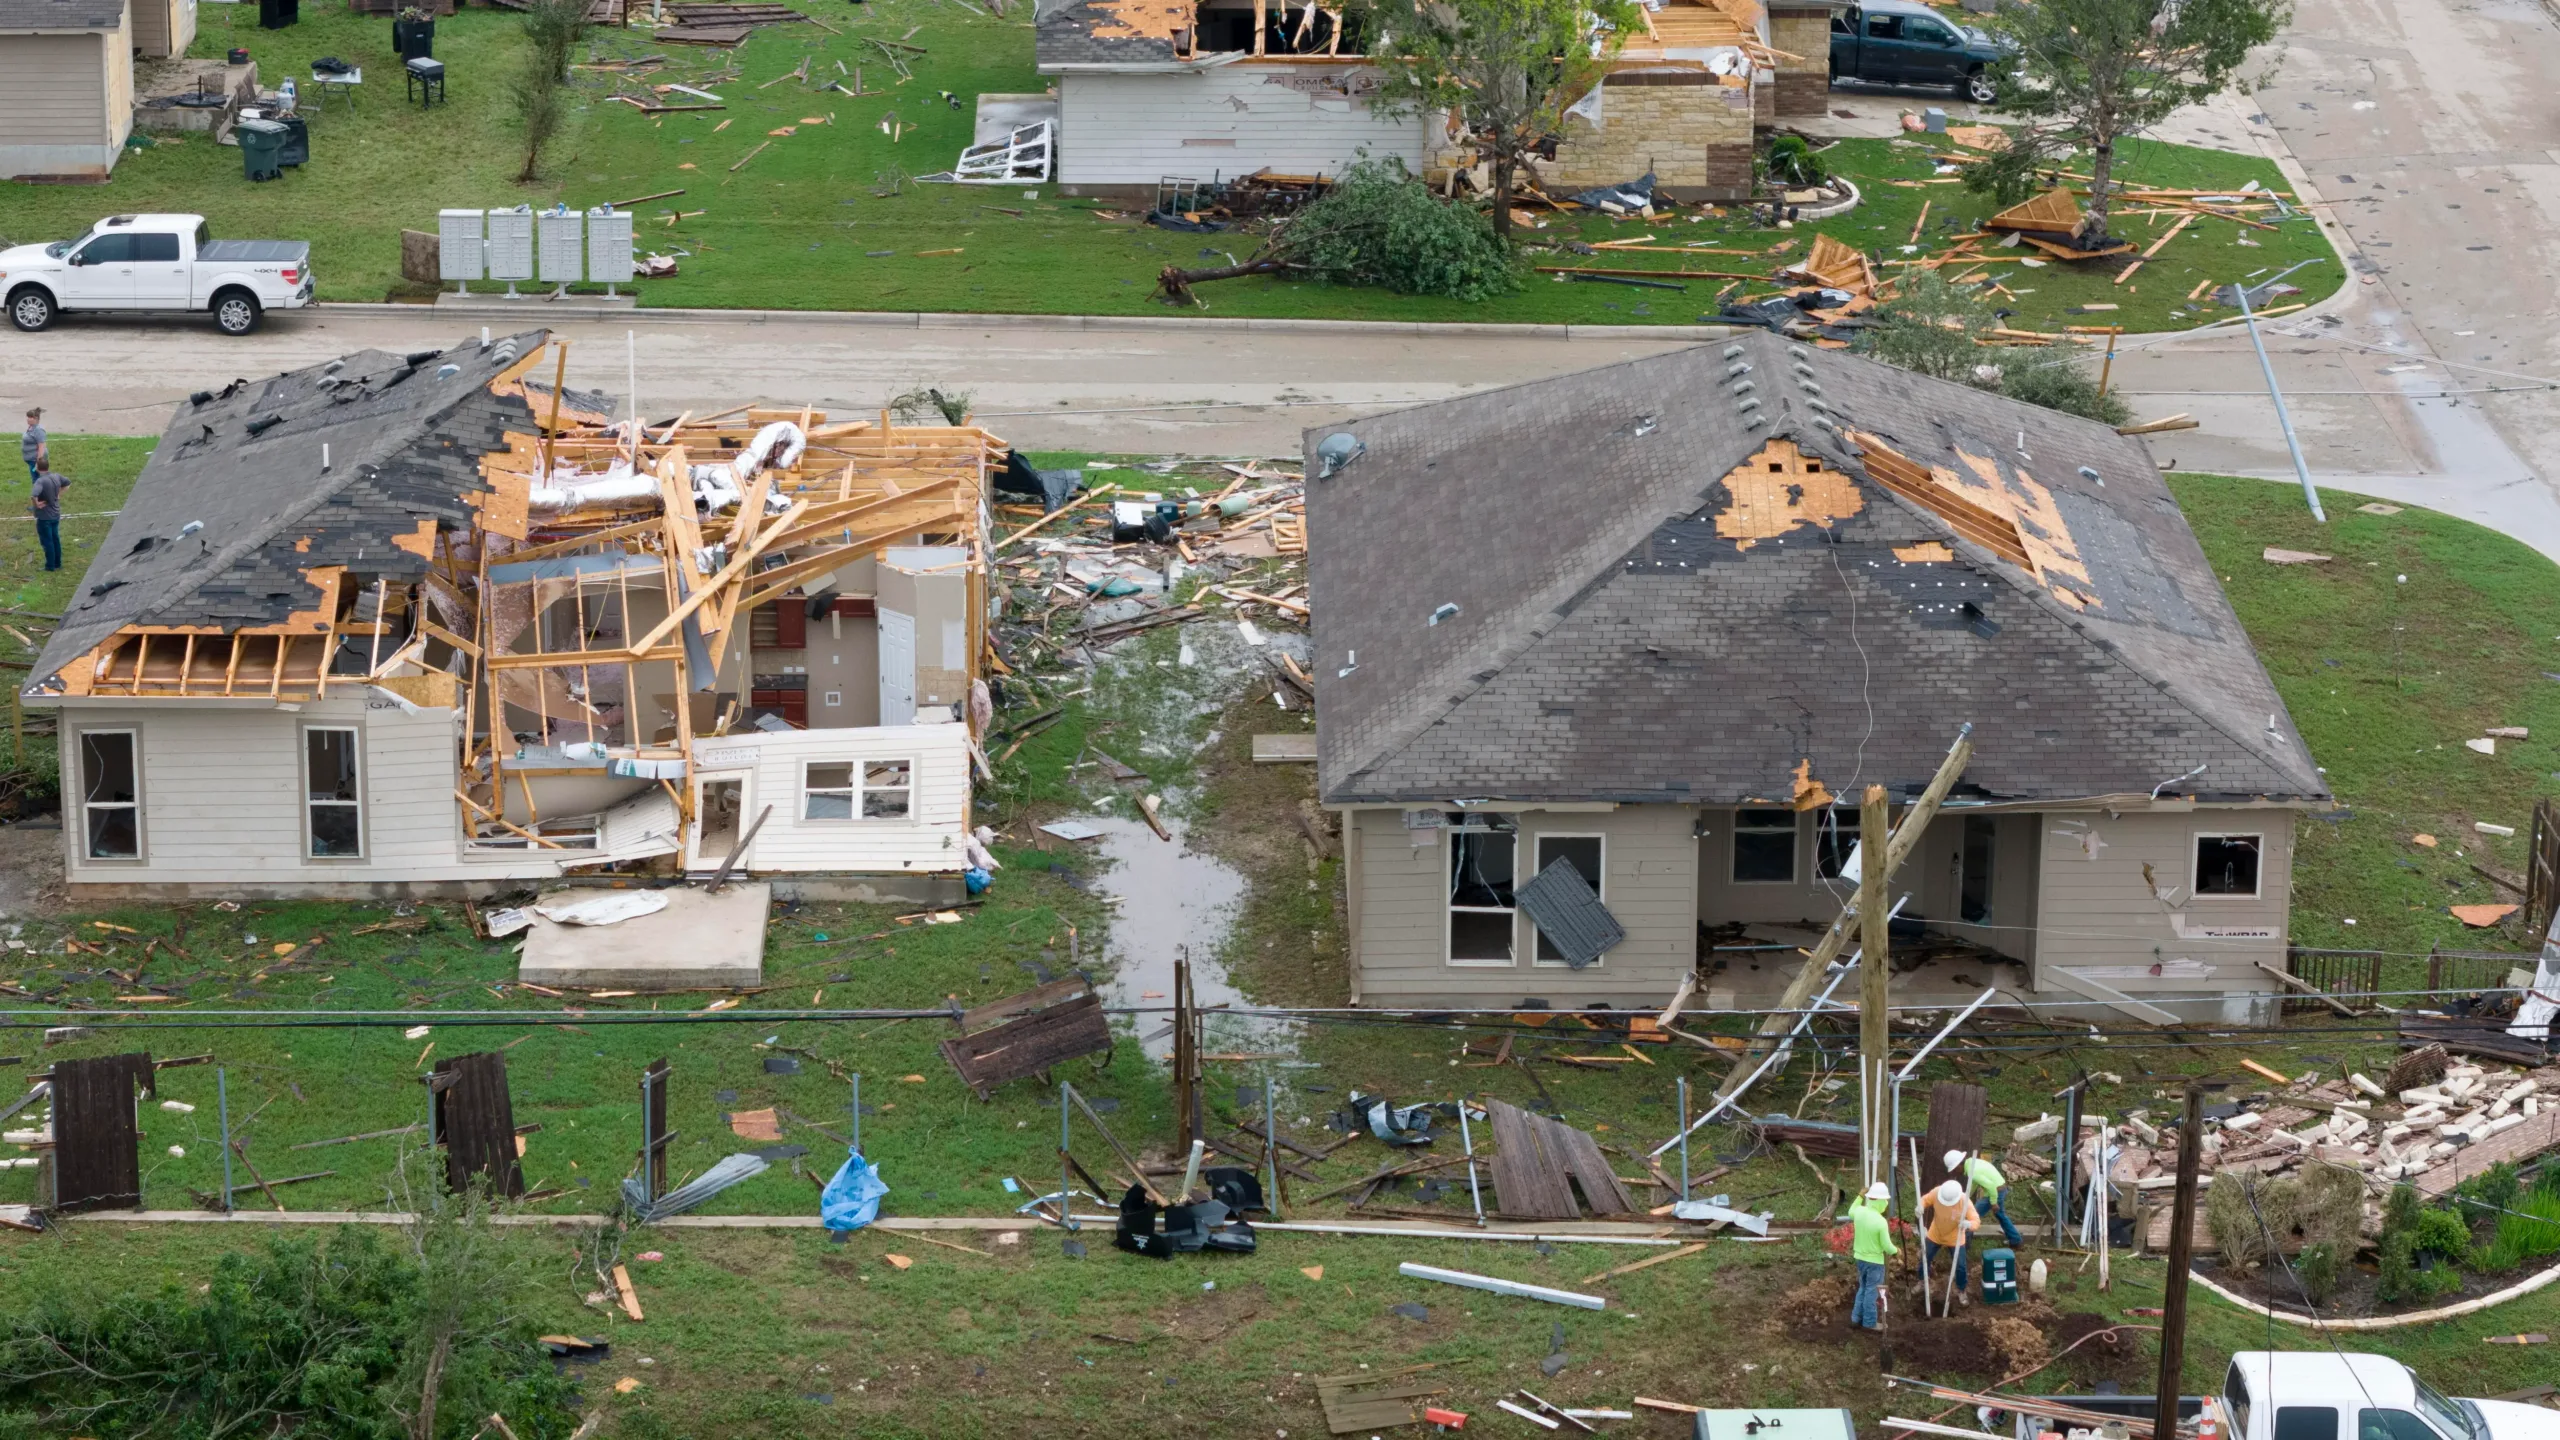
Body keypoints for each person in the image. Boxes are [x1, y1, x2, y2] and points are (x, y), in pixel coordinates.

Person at [1919, 1177, 1980, 1308]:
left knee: (1960, 1266)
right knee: (1925, 1257)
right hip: (1936, 1233)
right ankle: (1923, 1281)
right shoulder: (1937, 1192)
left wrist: (1968, 1224)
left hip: (1955, 1237)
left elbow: (1976, 1221)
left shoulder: (1965, 1202)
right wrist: (1920, 1206)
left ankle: (1961, 1289)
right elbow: (1925, 1199)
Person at [1848, 1179, 1899, 1330]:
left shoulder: (1860, 1212)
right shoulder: (1880, 1221)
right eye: (1885, 1201)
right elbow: (1887, 1246)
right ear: (1881, 1202)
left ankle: (1855, 1318)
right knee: (1871, 1292)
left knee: (1863, 1288)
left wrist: (1859, 1196)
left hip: (1860, 1259)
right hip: (1875, 1263)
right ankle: (1869, 1323)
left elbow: (1851, 1211)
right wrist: (1897, 1251)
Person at [1950, 1147, 2022, 1250]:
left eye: (1954, 1170)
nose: (1954, 1173)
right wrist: (1966, 1196)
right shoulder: (1971, 1163)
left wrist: (1993, 1202)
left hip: (1995, 1192)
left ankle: (1964, 1246)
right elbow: (1974, 1183)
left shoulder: (1972, 1171)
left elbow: (1991, 1186)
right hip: (1999, 1188)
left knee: (1972, 1217)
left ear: (1959, 1166)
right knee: (2001, 1216)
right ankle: (2016, 1241)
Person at [30, 467, 67, 572]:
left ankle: (50, 566)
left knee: (47, 541)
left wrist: (37, 505)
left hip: (44, 518)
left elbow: (33, 496)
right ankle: (57, 564)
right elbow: (68, 483)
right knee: (55, 539)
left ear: (37, 467)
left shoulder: (40, 481)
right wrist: (58, 494)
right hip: (55, 514)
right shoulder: (56, 476)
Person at [20, 408, 44, 487]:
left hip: (35, 460)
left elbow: (41, 447)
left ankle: (38, 497)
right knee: (35, 479)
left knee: (37, 480)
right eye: (27, 417)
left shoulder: (38, 430)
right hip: (30, 460)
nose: (27, 419)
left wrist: (38, 462)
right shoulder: (31, 427)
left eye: (30, 417)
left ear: (36, 418)